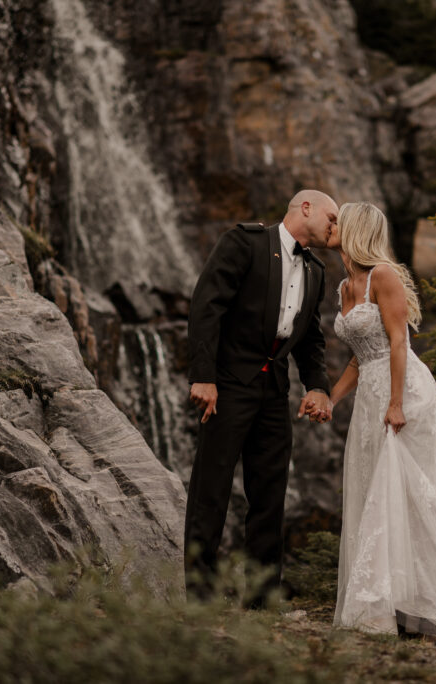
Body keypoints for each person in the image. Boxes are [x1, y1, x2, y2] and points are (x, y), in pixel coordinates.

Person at [326, 201, 436, 638]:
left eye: (337, 220)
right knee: (377, 489)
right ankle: (392, 604)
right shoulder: (345, 286)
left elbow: (398, 342)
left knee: (416, 491)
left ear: (354, 229)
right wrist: (330, 399)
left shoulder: (383, 276)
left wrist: (396, 402)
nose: (330, 226)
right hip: (370, 392)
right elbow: (357, 358)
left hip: (404, 391)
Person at [185, 189, 337, 605]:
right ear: (305, 208)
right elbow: (206, 307)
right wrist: (204, 376)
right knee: (211, 490)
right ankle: (200, 596)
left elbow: (311, 339)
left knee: (270, 494)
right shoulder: (244, 243)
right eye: (332, 217)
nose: (335, 227)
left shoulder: (317, 271)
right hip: (228, 386)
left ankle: (262, 596)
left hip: (274, 392)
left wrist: (318, 386)